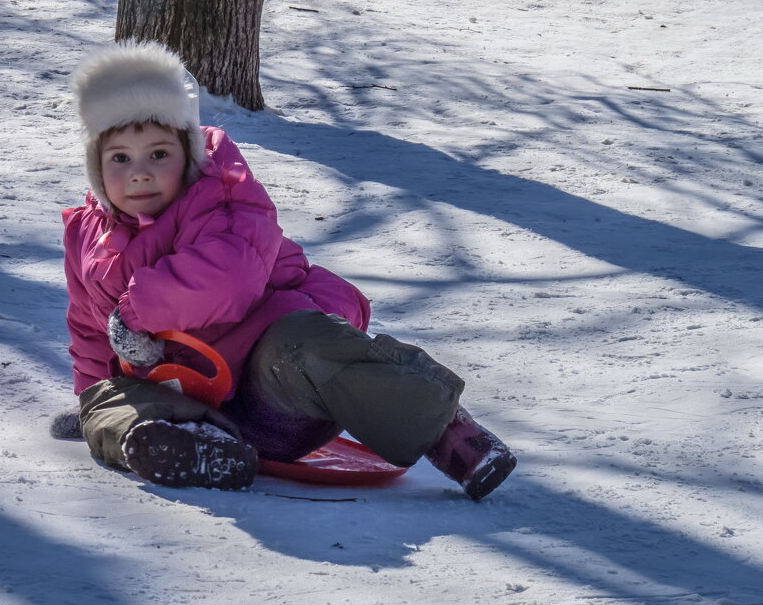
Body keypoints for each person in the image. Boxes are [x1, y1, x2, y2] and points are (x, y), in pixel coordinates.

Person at [57, 41, 516, 499]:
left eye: (158, 154)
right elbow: (87, 326)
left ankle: (445, 430)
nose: (139, 173)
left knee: (301, 344)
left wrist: (136, 313)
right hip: (181, 403)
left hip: (273, 399)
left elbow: (227, 277)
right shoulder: (86, 237)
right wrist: (94, 394)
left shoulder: (224, 201)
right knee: (106, 401)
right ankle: (194, 450)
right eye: (120, 158)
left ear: (189, 155)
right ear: (96, 168)